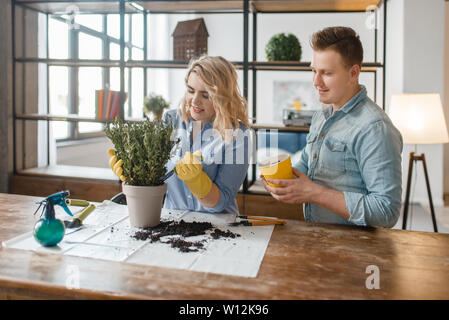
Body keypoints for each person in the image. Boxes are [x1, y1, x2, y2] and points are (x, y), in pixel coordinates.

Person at [262, 26, 403, 228]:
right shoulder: (322, 114)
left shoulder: (375, 128)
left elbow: (386, 211)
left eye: (326, 73)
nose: (316, 81)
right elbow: (307, 165)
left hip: (356, 251)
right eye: (313, 71)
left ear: (353, 73)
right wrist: (281, 180)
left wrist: (313, 193)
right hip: (321, 240)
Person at [109, 55, 250, 214]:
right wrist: (134, 175)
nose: (195, 101)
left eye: (206, 95)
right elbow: (157, 176)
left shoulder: (237, 134)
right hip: (172, 221)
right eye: (191, 91)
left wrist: (197, 181)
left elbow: (222, 201)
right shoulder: (171, 120)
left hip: (219, 226)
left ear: (222, 97)